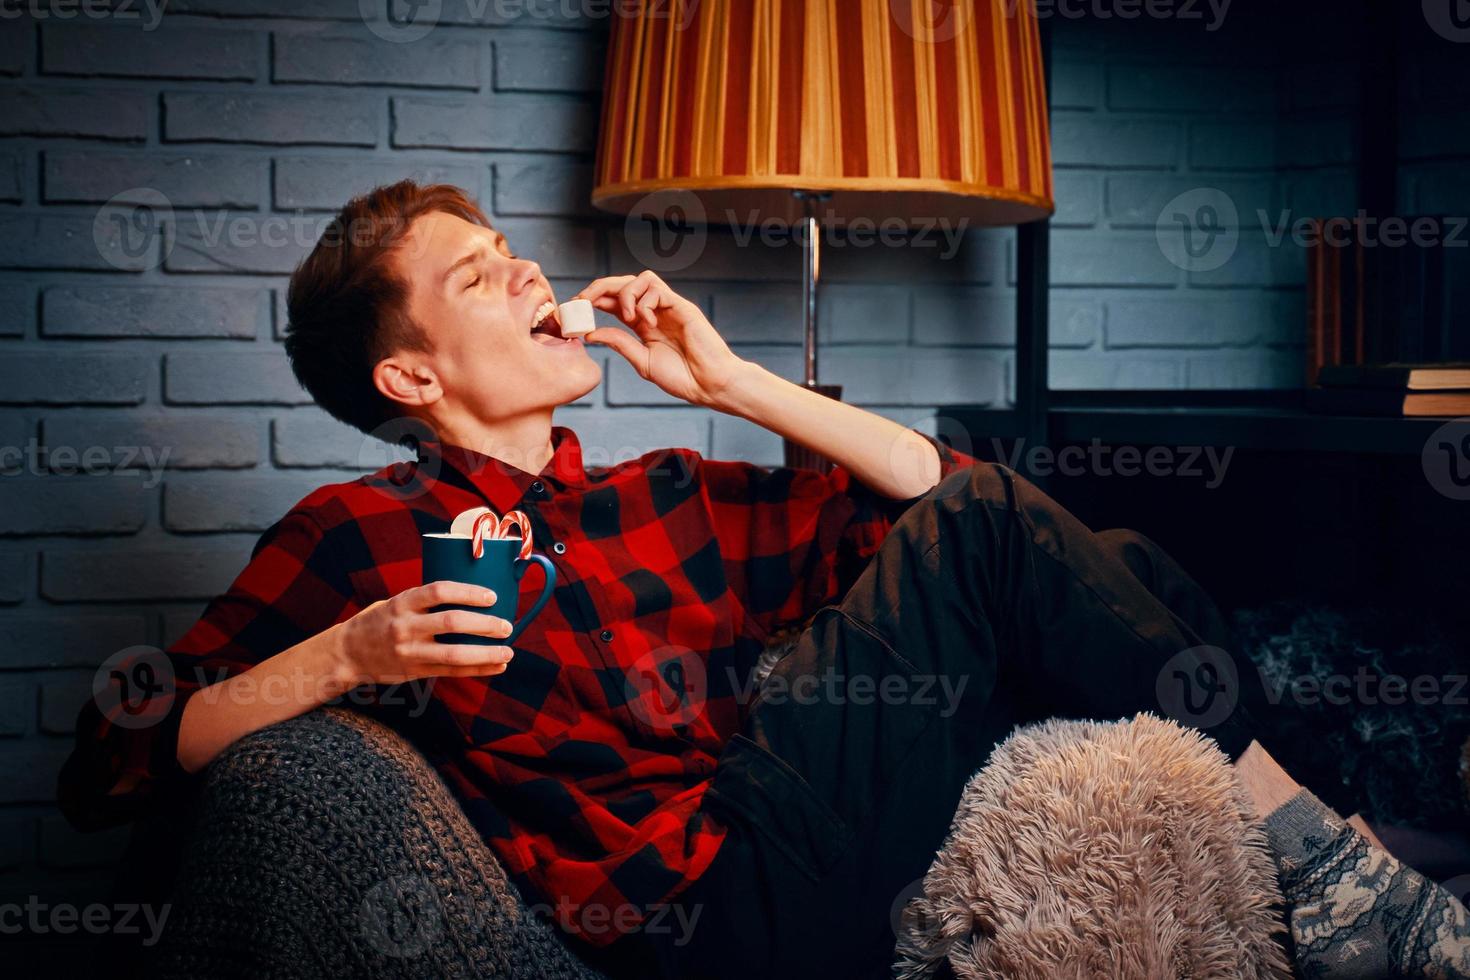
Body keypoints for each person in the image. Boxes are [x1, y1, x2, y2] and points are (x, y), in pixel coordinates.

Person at [56, 181, 1462, 978]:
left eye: (510, 251)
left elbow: (938, 495)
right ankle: (1346, 878)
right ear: (413, 374)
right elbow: (113, 754)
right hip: (709, 910)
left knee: (1105, 556)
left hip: (802, 828)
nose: (530, 275)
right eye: (481, 278)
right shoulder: (362, 528)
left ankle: (1324, 855)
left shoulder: (659, 495)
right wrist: (349, 659)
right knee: (1007, 534)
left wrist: (729, 383)